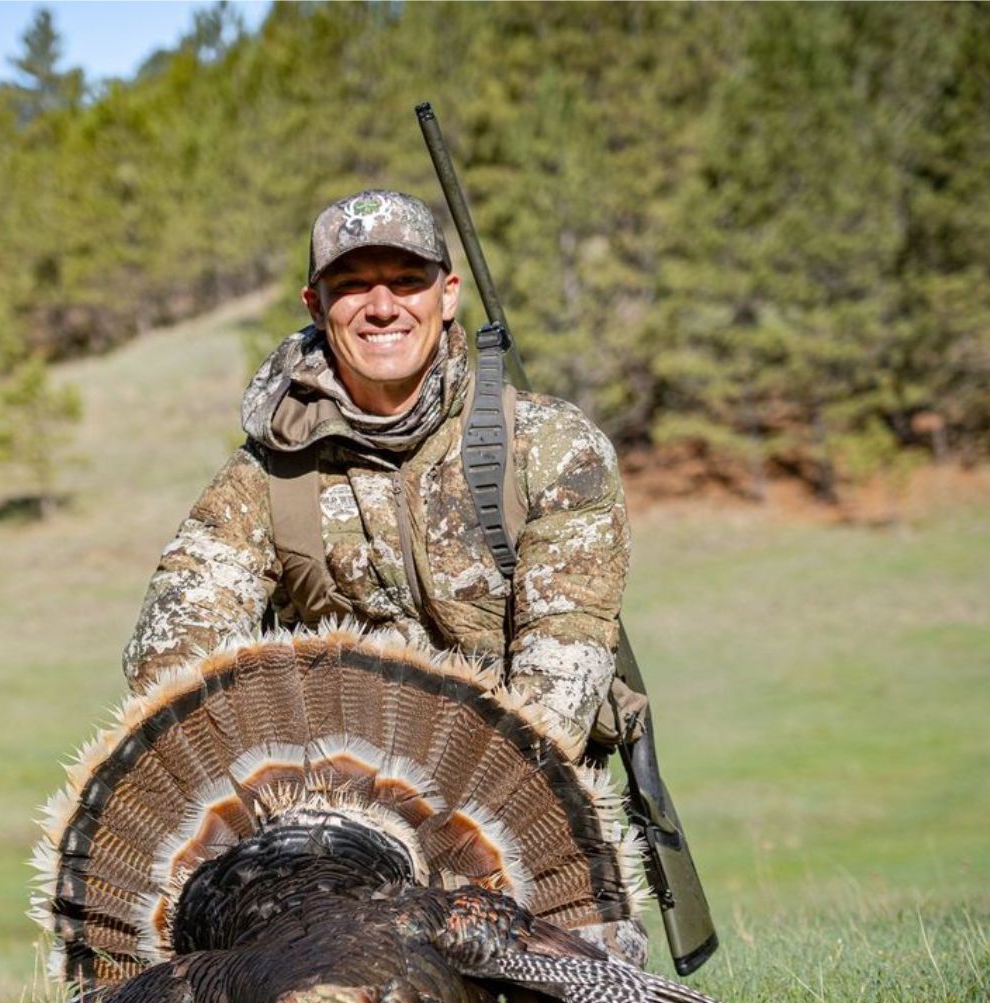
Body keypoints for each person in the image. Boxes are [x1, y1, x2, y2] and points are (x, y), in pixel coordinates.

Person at [124, 188, 631, 756]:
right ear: (315, 306)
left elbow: (562, 669)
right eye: (352, 286)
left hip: (509, 798)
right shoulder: (267, 473)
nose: (383, 307)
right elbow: (168, 660)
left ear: (448, 295)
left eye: (408, 281)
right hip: (331, 799)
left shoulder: (552, 448)